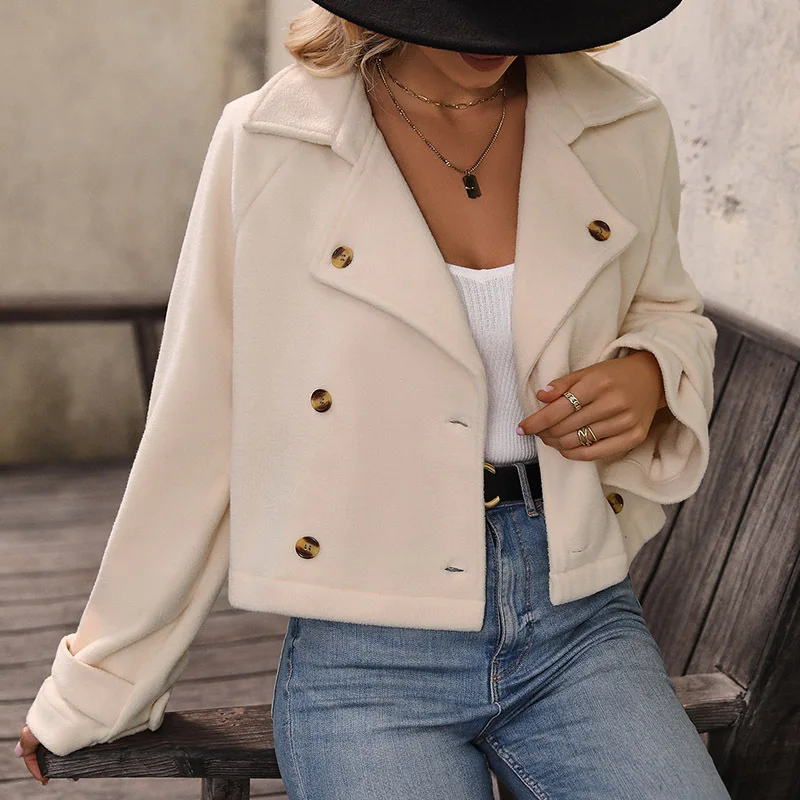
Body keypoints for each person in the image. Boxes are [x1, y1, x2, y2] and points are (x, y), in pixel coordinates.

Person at [17, 1, 730, 797]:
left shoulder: (623, 123)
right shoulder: (271, 142)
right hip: (370, 652)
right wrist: (100, 681)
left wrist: (650, 373)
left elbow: (670, 311)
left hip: (578, 616)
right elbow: (198, 424)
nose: (495, 34)